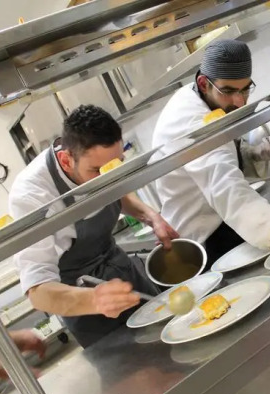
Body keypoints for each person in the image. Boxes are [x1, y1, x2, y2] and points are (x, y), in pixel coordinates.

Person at [9, 105, 179, 348]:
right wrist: (95, 300)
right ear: (66, 160)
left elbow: (114, 190)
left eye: (116, 166)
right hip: (82, 300)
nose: (108, 178)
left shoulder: (98, 163)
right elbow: (38, 292)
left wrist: (151, 216)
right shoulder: (32, 196)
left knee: (171, 339)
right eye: (97, 171)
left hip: (122, 273)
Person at [144, 39, 270, 267]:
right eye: (228, 91)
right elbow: (222, 183)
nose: (239, 102)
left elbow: (217, 156)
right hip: (202, 241)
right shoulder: (191, 120)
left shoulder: (201, 97)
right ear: (203, 83)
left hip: (222, 220)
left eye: (245, 89)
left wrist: (247, 155)